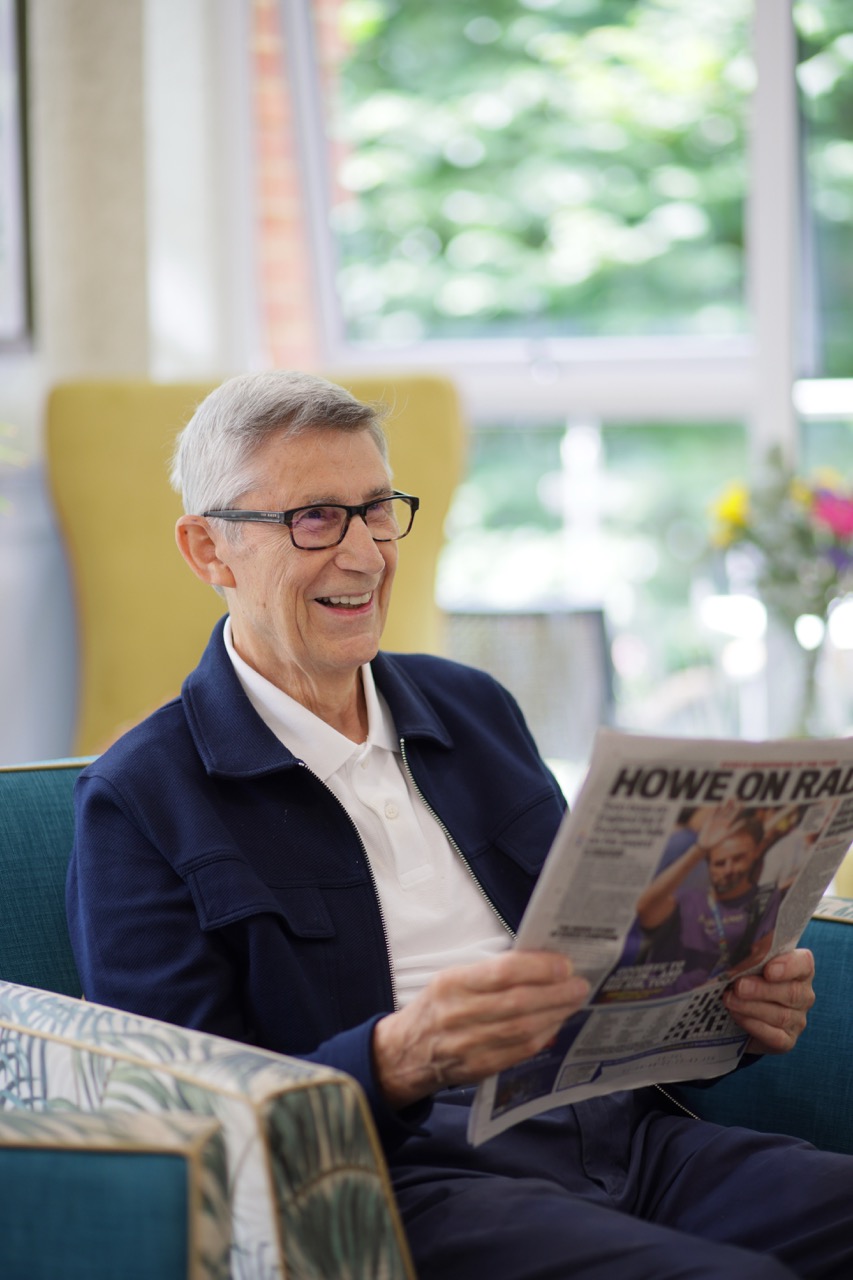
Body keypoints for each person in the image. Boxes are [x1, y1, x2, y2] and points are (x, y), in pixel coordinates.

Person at [66, 370, 853, 1280]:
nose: (365, 555)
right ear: (209, 549)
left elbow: (603, 965)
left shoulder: (472, 708)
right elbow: (180, 1122)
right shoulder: (140, 797)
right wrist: (398, 1058)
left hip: (626, 1140)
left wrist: (725, 1011)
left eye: (376, 510)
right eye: (315, 519)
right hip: (406, 1179)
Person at [636, 802, 782, 993]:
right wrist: (699, 850)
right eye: (719, 863)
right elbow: (645, 909)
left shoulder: (765, 899)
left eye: (738, 858)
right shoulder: (688, 901)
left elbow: (764, 951)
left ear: (755, 853)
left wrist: (723, 978)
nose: (729, 870)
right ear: (709, 865)